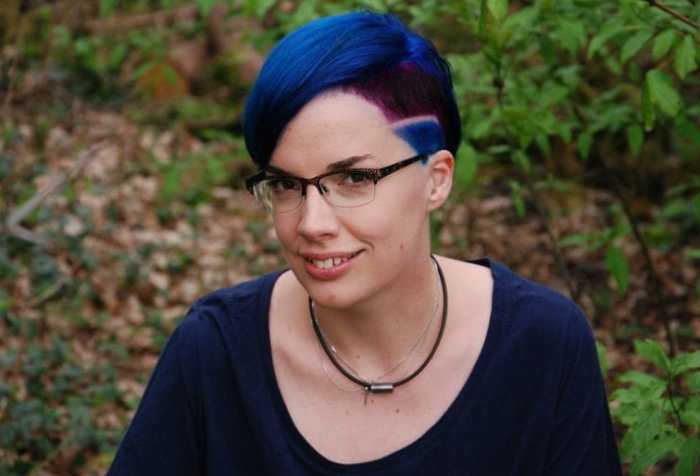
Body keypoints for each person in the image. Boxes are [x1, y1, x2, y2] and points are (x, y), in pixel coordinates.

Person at [108, 12, 622, 475]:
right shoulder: (215, 353)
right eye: (285, 184)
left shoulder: (541, 347)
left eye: (354, 179)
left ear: (436, 179)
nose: (312, 223)